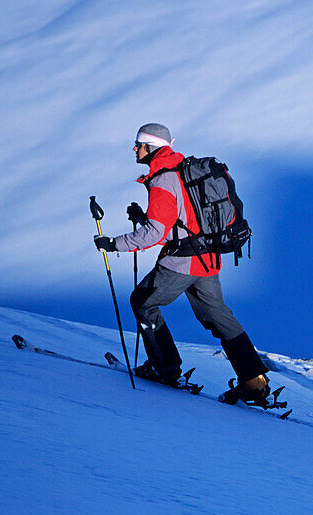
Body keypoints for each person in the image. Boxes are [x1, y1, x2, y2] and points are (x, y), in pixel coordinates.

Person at [92, 123, 269, 405]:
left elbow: (155, 233)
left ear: (151, 147)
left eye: (138, 144)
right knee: (219, 316)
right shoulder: (183, 170)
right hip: (208, 260)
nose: (135, 149)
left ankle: (165, 369)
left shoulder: (163, 179)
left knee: (142, 302)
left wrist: (114, 244)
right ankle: (254, 382)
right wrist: (144, 217)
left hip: (181, 263)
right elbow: (184, 218)